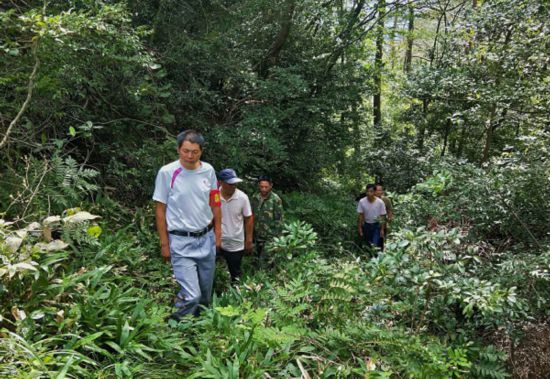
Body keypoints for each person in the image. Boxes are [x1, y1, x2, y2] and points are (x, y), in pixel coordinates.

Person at [153, 130, 221, 320]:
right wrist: (164, 243)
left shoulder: (208, 170)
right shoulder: (167, 172)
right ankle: (176, 326)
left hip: (206, 238)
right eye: (186, 151)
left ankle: (198, 330)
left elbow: (215, 202)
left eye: (195, 152)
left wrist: (218, 232)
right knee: (192, 295)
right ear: (178, 150)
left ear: (201, 151)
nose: (190, 156)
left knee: (205, 295)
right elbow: (160, 209)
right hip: (181, 241)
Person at [217, 168, 253, 283]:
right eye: (230, 184)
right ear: (221, 183)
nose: (233, 186)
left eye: (235, 183)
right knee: (216, 271)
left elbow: (249, 218)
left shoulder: (242, 197)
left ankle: (236, 295)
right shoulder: (215, 196)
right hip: (217, 241)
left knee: (235, 273)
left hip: (236, 243)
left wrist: (248, 240)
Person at [250, 175, 284, 262]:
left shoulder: (275, 200)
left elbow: (279, 220)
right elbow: (251, 215)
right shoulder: (255, 197)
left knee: (265, 261)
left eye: (266, 187)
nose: (263, 189)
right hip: (256, 235)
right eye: (261, 187)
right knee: (254, 260)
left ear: (270, 186)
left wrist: (277, 238)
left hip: (269, 236)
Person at [357, 183, 386, 249]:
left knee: (375, 244)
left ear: (375, 192)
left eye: (371, 191)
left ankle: (375, 257)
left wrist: (382, 229)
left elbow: (382, 216)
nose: (368, 193)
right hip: (366, 225)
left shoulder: (380, 202)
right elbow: (360, 215)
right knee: (369, 244)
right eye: (367, 191)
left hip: (376, 226)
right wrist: (360, 228)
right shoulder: (362, 201)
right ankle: (370, 258)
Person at [375, 184, 393, 250]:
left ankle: (380, 255)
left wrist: (390, 218)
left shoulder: (386, 200)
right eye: (377, 190)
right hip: (371, 223)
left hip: (382, 224)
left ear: (382, 191)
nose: (378, 192)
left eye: (380, 190)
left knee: (381, 241)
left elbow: (389, 210)